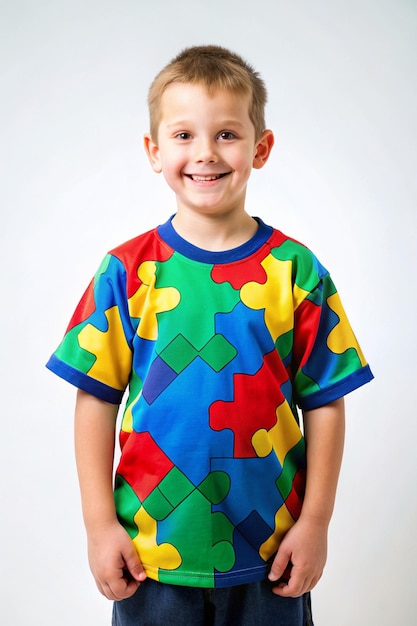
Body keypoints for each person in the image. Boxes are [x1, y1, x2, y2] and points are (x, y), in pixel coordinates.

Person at [46, 45, 373, 626]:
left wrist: (316, 522)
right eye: (183, 136)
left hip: (270, 555)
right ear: (154, 151)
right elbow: (95, 398)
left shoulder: (296, 273)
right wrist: (100, 524)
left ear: (260, 148)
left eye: (226, 134)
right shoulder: (126, 272)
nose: (205, 154)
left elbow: (326, 404)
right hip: (153, 556)